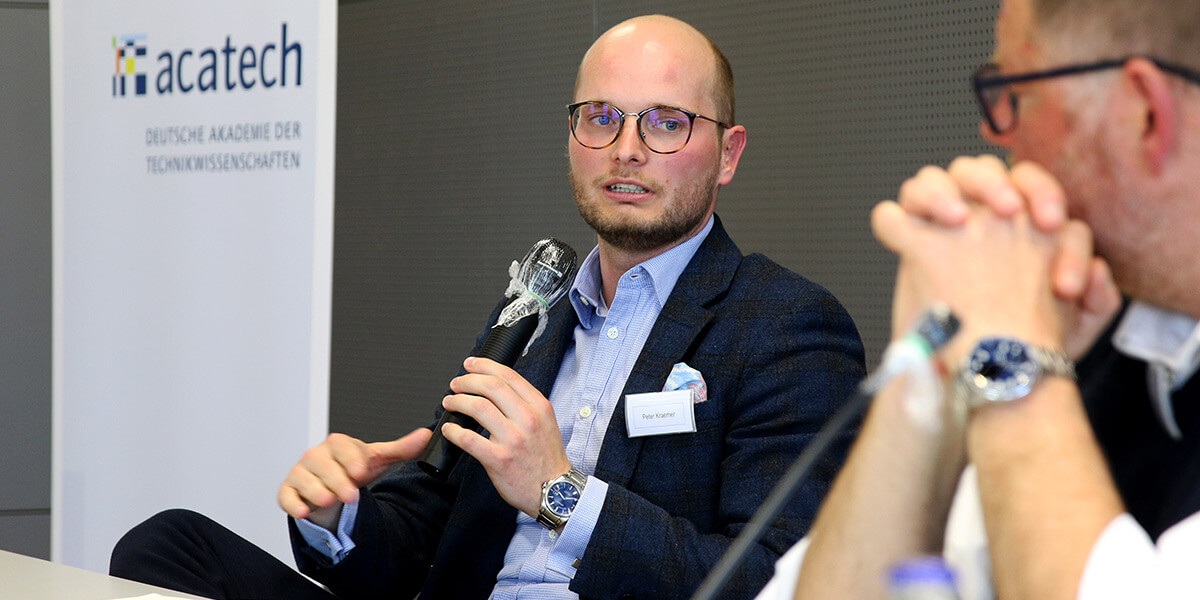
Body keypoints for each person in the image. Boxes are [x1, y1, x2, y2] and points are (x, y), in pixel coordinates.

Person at [109, 14, 865, 600]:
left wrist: (557, 493)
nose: (626, 148)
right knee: (167, 545)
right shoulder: (533, 314)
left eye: (666, 122)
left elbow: (773, 581)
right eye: (600, 116)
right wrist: (339, 513)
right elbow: (415, 542)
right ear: (572, 137)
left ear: (728, 153)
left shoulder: (783, 325)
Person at [754, 1, 1200, 599]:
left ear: (1145, 114)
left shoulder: (1033, 351)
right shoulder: (1097, 330)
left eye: (1014, 92)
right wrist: (932, 389)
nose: (995, 132)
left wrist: (1008, 350)